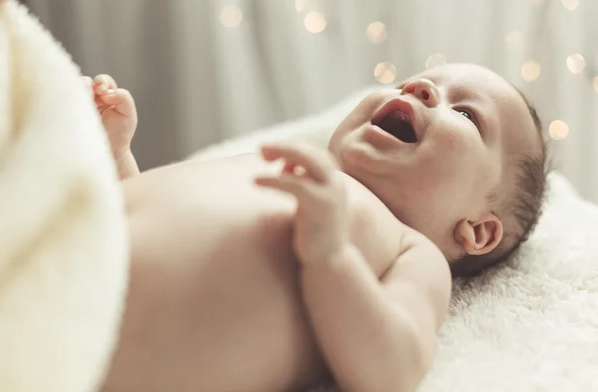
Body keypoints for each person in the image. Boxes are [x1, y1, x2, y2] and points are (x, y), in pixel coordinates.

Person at [86, 63, 547, 392]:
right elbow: (158, 212)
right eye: (411, 80)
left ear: (477, 230)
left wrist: (331, 257)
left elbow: (394, 369)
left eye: (466, 113)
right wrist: (116, 157)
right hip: (58, 265)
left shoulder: (412, 251)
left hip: (100, 356)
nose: (421, 87)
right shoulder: (285, 163)